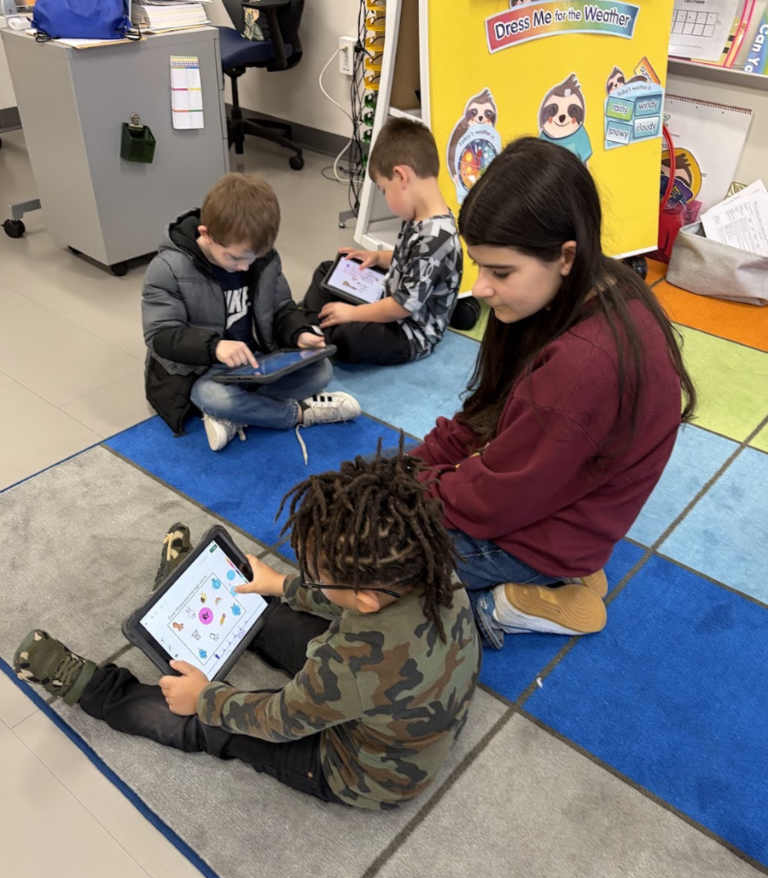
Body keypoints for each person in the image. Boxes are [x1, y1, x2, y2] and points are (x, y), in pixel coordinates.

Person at [13, 445, 481, 811]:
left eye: (316, 572)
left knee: (211, 726)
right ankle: (188, 594)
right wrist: (283, 584)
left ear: (363, 595)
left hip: (359, 775)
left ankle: (92, 688)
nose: (310, 575)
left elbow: (277, 720)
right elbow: (353, 606)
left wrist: (206, 699)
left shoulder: (351, 663)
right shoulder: (432, 572)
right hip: (394, 704)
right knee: (268, 609)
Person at [405, 137, 697, 649]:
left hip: (551, 532)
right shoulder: (587, 283)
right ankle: (566, 571)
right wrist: (413, 468)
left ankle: (525, 596)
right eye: (479, 265)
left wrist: (413, 492)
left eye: (499, 272)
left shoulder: (582, 366)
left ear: (564, 256)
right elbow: (486, 411)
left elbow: (493, 500)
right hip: (571, 505)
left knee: (370, 569)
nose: (482, 286)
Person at [142, 173, 361, 453]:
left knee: (321, 370)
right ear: (206, 234)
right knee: (210, 395)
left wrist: (299, 333)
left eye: (253, 258)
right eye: (234, 258)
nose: (245, 267)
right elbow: (160, 335)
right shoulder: (168, 268)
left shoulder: (262, 259)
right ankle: (300, 413)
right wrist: (215, 348)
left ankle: (236, 417)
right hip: (203, 369)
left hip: (256, 360)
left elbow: (281, 307)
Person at [302, 118, 462, 365]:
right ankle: (314, 329)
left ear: (401, 176)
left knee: (351, 338)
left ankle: (322, 334)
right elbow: (406, 259)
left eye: (384, 189)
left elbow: (401, 307)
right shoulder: (419, 216)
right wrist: (377, 258)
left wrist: (353, 313)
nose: (385, 197)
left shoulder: (437, 239)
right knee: (327, 270)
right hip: (386, 297)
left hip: (409, 331)